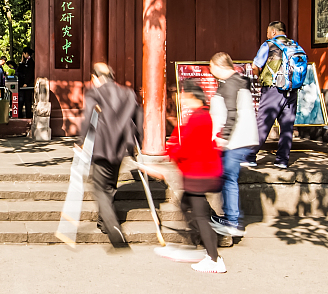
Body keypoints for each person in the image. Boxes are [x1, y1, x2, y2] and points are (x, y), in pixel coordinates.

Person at [156, 79, 226, 274]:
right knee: (186, 206)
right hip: (200, 172)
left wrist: (168, 156)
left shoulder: (198, 117)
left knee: (200, 217)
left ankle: (213, 258)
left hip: (198, 174)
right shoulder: (203, 114)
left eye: (183, 95)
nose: (181, 99)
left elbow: (186, 147)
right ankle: (199, 246)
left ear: (191, 95)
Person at [76, 62, 143, 248]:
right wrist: (138, 143)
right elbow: (138, 118)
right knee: (111, 185)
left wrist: (82, 141)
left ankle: (114, 229)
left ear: (95, 78)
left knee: (100, 189)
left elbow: (88, 117)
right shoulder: (128, 93)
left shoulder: (94, 93)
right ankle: (103, 221)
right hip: (120, 147)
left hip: (101, 146)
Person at [208, 52, 258, 237]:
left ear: (219, 65)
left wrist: (223, 136)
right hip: (242, 138)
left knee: (228, 178)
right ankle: (230, 216)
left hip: (235, 140)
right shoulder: (239, 81)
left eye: (212, 67)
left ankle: (232, 221)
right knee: (228, 177)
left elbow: (231, 113)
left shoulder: (230, 85)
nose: (211, 71)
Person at [250, 21, 300, 169]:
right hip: (292, 90)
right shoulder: (295, 45)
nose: (266, 35)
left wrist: (258, 78)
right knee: (287, 127)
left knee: (263, 124)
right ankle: (282, 160)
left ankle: (250, 156)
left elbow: (255, 66)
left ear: (273, 32)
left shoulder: (269, 45)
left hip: (273, 89)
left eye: (267, 32)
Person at [18, 48, 35, 119]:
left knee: (28, 101)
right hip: (24, 85)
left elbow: (30, 73)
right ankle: (20, 115)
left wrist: (26, 83)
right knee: (22, 100)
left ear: (26, 53)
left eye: (24, 53)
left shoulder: (31, 62)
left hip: (28, 85)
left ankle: (28, 115)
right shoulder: (25, 62)